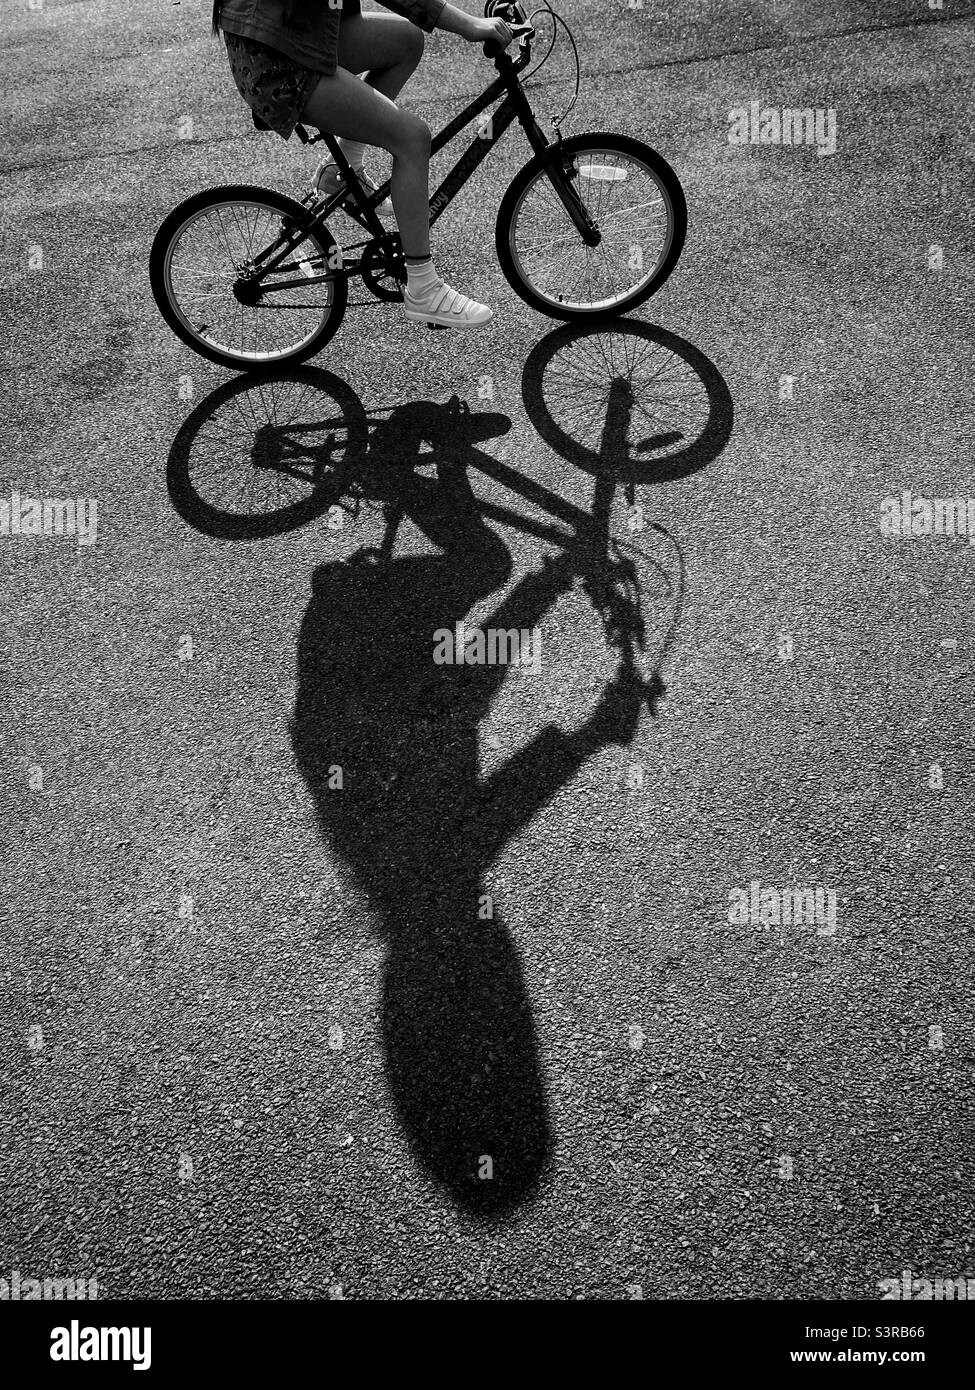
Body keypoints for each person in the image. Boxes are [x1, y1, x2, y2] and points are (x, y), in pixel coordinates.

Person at [212, 1, 514, 328]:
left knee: (406, 40)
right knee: (412, 139)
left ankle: (341, 169)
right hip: (278, 61)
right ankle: (424, 288)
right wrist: (470, 25)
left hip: (294, 33)